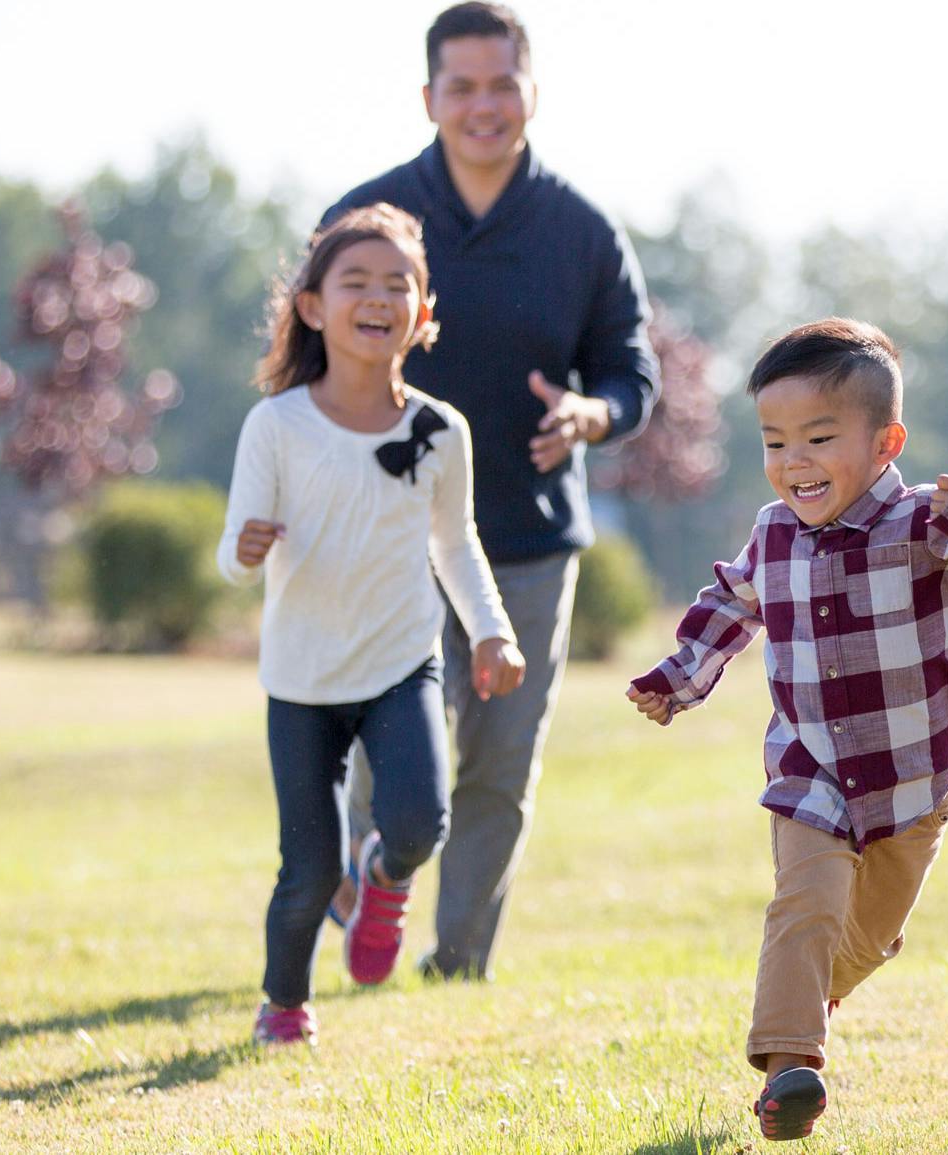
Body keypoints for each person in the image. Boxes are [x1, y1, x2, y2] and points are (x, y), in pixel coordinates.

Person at [625, 319, 948, 1141]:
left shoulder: (931, 524)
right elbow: (730, 605)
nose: (794, 461)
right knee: (804, 901)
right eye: (775, 440)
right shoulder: (772, 530)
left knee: (866, 936)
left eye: (819, 437)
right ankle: (793, 1066)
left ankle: (816, 988)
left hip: (913, 779)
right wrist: (678, 679)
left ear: (886, 440)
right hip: (810, 764)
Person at [317, 1, 659, 980]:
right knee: (388, 756)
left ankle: (456, 964)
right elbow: (309, 361)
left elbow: (632, 367)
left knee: (499, 768)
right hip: (388, 535)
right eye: (460, 87)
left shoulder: (583, 231)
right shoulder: (367, 218)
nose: (482, 105)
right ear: (428, 97)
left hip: (530, 542)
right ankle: (366, 899)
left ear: (531, 94)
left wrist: (594, 415)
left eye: (501, 85)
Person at [218, 204, 526, 1046]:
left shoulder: (440, 429)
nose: (379, 296)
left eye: (400, 284)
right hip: (301, 677)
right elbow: (233, 556)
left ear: (423, 315)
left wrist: (492, 630)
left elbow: (454, 542)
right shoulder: (276, 425)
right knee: (308, 869)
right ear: (313, 305)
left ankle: (384, 877)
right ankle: (284, 1005)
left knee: (422, 818)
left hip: (401, 661)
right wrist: (243, 552)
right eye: (356, 281)